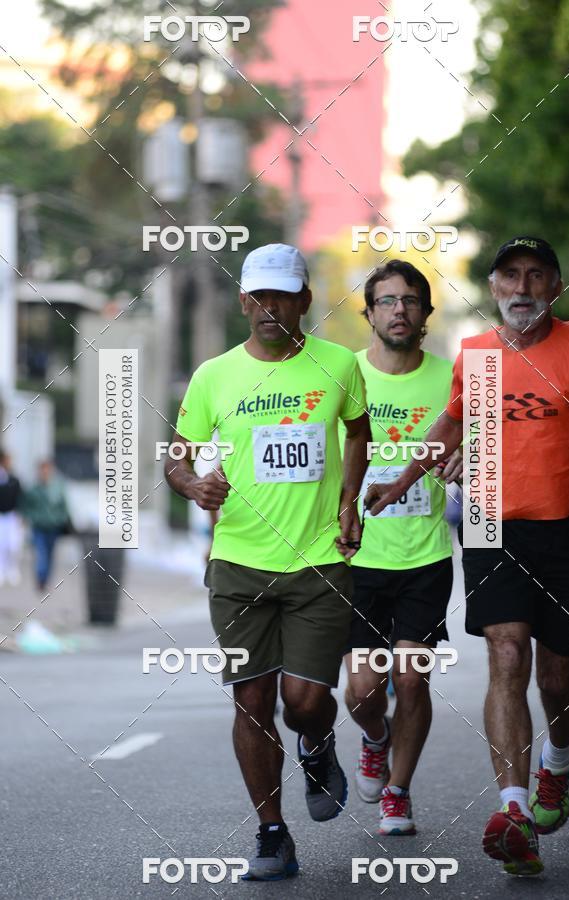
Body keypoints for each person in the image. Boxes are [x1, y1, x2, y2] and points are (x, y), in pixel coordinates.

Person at [365, 236, 569, 875]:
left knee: (558, 678)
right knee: (505, 654)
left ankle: (560, 759)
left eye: (535, 276)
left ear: (554, 286)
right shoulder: (478, 355)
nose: (521, 288)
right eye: (509, 277)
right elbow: (450, 424)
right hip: (492, 520)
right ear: (494, 288)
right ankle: (514, 807)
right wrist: (401, 479)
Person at [165, 243, 371, 880]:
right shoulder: (213, 376)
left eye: (283, 295)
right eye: (258, 295)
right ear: (243, 300)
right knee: (251, 701)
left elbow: (359, 430)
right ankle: (272, 833)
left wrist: (348, 499)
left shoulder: (338, 365)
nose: (269, 307)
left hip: (317, 562)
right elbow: (178, 457)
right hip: (237, 563)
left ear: (305, 300)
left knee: (304, 700)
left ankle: (317, 741)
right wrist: (191, 484)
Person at [342, 260, 462, 836]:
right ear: (369, 313)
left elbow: (482, 455)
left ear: (425, 314)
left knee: (413, 676)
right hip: (357, 558)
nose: (399, 310)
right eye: (387, 301)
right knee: (363, 689)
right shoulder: (344, 375)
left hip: (425, 553)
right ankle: (375, 738)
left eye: (410, 301)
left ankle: (398, 791)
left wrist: (466, 465)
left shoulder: (452, 378)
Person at [22, 460, 70, 592]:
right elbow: (25, 506)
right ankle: (40, 580)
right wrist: (29, 517)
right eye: (42, 470)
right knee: (41, 553)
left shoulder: (58, 487)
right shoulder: (33, 489)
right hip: (39, 526)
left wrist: (64, 520)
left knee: (50, 555)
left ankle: (46, 579)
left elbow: (64, 506)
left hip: (54, 527)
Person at [0, 449, 22, 587]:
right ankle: (1, 570)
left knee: (13, 545)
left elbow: (20, 497)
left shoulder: (14, 479)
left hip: (12, 516)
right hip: (0, 516)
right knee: (1, 545)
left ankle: (12, 568)